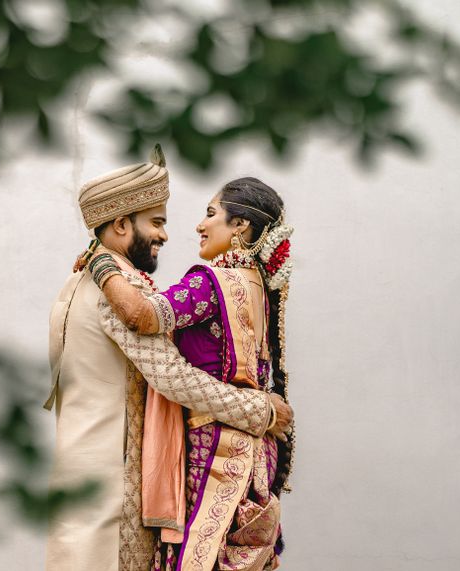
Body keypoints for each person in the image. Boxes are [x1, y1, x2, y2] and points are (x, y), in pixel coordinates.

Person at [44, 149, 293, 571]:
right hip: (113, 478)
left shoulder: (86, 279)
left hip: (95, 472)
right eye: (157, 222)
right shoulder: (114, 288)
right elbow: (173, 376)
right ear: (121, 224)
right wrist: (261, 410)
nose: (167, 235)